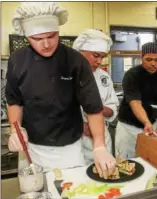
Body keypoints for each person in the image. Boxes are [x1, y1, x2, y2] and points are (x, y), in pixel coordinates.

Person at [6, 2, 115, 179]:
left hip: (69, 149)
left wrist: (99, 146)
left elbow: (93, 108)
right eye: (37, 39)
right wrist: (15, 129)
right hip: (31, 148)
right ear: (27, 36)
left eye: (51, 36)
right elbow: (14, 101)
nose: (46, 44)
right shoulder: (17, 61)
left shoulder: (75, 61)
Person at [115, 42, 157, 158]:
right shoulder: (132, 75)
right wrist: (146, 122)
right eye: (149, 59)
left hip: (151, 127)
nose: (153, 63)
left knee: (149, 160)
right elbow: (135, 103)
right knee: (126, 162)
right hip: (129, 128)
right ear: (141, 58)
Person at [72, 29, 119, 165]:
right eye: (96, 55)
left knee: (105, 175)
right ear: (81, 52)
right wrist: (79, 125)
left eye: (102, 57)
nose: (99, 61)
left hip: (102, 137)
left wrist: (99, 110)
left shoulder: (104, 77)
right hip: (76, 140)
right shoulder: (67, 75)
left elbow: (112, 106)